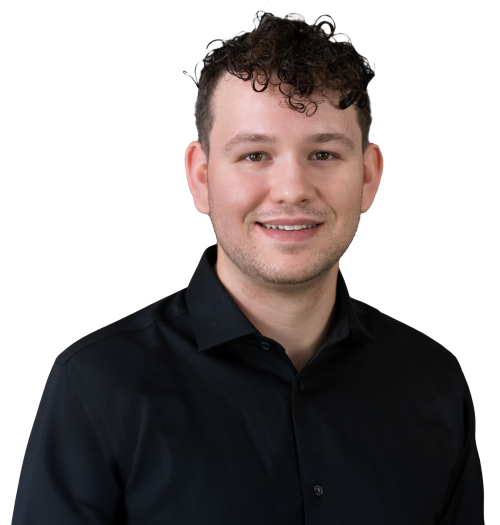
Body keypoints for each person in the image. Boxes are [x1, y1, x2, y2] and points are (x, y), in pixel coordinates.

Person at [12, 8, 484, 525]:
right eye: (255, 155)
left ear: (369, 176)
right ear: (201, 176)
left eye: (324, 154)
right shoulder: (97, 383)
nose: (292, 190)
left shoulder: (434, 381)